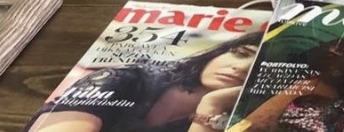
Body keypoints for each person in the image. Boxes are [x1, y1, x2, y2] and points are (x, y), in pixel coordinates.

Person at [25, 31, 263, 132]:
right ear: (216, 53)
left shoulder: (234, 117)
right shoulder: (127, 79)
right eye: (240, 54)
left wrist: (210, 109)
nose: (240, 68)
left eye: (255, 68)